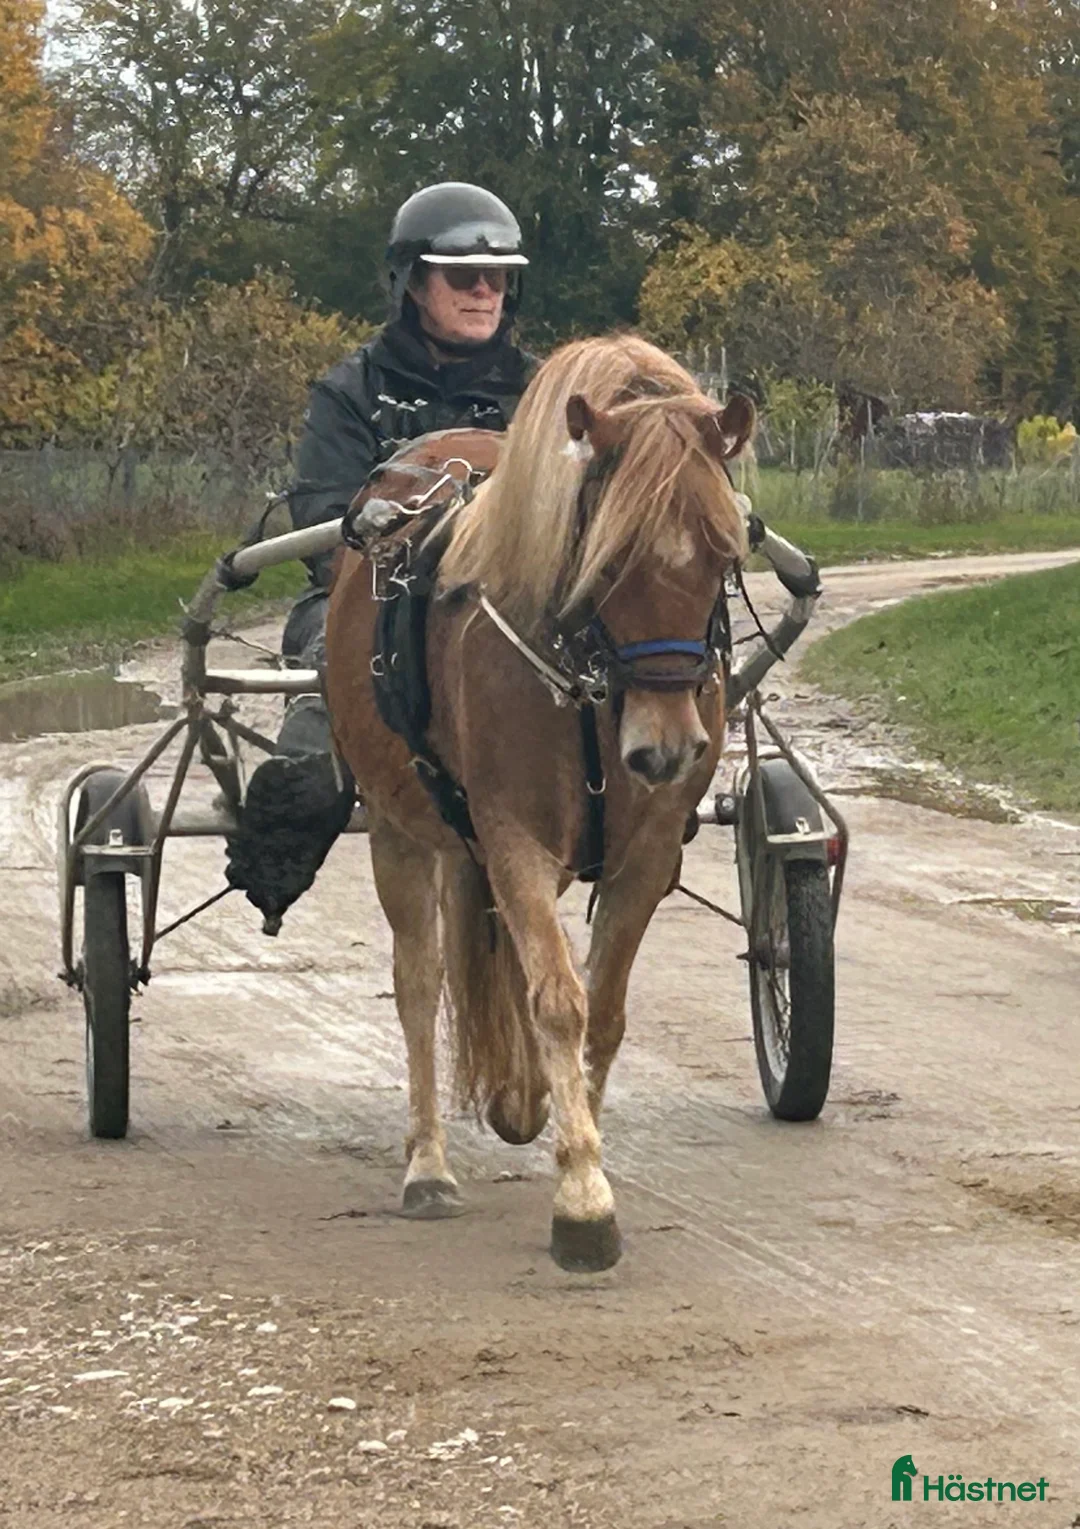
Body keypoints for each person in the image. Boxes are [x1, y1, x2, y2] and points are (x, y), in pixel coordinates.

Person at [224, 182, 539, 930]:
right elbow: (324, 522)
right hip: (369, 604)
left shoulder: (543, 390)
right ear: (412, 284)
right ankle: (305, 781)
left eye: (499, 276)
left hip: (517, 611)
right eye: (463, 275)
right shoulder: (349, 391)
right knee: (318, 646)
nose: (485, 290)